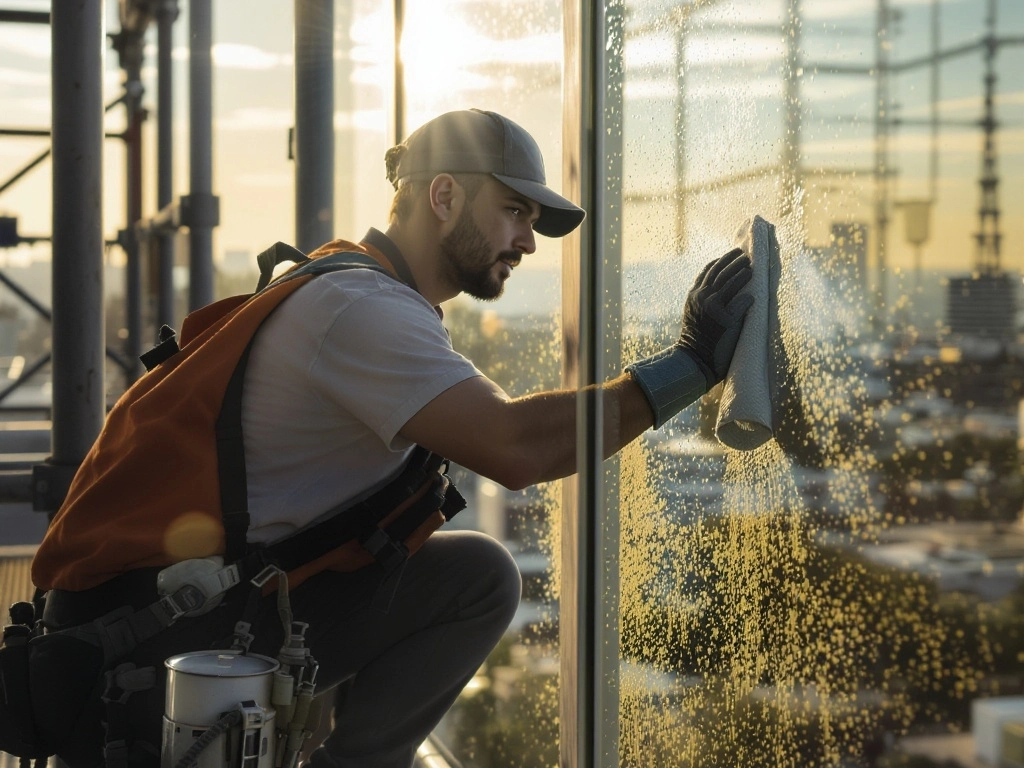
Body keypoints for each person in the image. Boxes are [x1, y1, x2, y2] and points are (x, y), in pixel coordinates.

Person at [30, 108, 752, 768]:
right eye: (513, 211)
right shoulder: (358, 310)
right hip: (145, 642)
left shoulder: (355, 289)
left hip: (160, 613)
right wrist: (687, 367)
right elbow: (516, 446)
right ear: (444, 197)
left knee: (461, 570)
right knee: (480, 580)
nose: (528, 241)